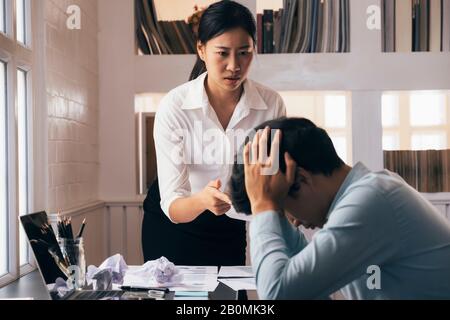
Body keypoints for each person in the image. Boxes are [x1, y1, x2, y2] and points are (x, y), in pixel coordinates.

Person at [229, 117, 450, 299]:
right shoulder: (365, 195)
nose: (293, 222)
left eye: (284, 209)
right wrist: (271, 209)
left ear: (301, 181)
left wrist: (264, 205)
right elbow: (308, 289)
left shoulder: (370, 200)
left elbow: (278, 296)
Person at [141, 0, 286, 266]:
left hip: (231, 220)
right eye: (222, 53)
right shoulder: (175, 106)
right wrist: (202, 200)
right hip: (175, 221)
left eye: (244, 52)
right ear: (201, 50)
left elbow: (268, 180)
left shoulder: (270, 104)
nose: (234, 65)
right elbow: (173, 201)